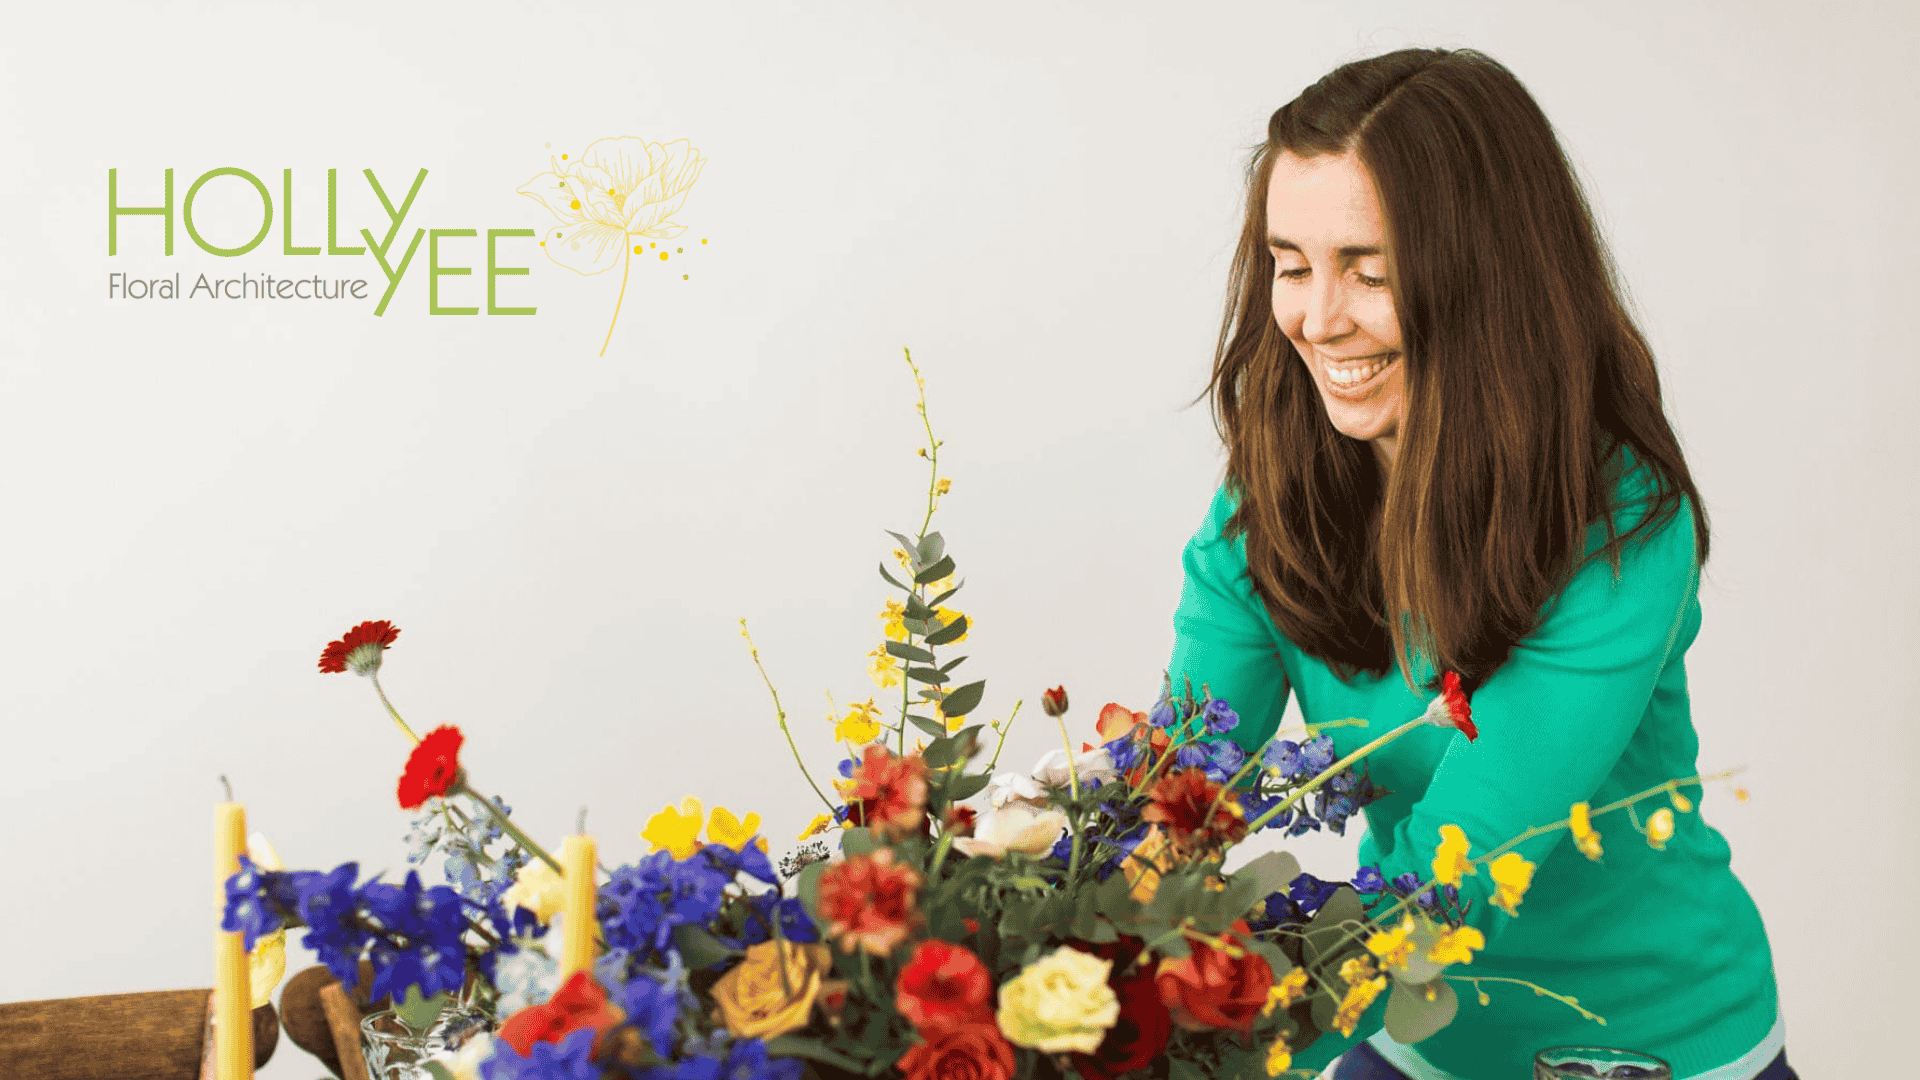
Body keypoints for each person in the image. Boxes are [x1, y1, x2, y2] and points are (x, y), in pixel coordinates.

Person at [1166, 48, 1795, 1080]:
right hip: (1412, 1040)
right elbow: (1177, 782)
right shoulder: (1269, 494)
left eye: (1369, 271)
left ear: (1483, 273)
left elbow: (1454, 877)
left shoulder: (1619, 516)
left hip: (1647, 1049)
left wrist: (1198, 1051)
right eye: (1292, 264)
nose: (1319, 319)